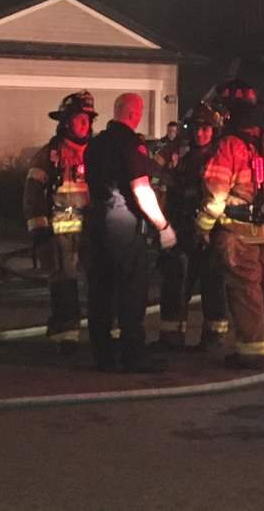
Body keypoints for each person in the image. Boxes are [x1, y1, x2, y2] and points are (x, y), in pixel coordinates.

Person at [196, 79, 264, 370]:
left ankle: (253, 353)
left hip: (240, 236)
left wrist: (203, 227)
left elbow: (216, 193)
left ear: (228, 115)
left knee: (246, 292)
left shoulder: (229, 146)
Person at [84, 92, 177, 373]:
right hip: (123, 223)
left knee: (100, 291)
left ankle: (103, 355)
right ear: (134, 113)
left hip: (96, 222)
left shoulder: (95, 144)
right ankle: (133, 355)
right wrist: (163, 225)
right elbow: (140, 189)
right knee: (131, 290)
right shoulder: (130, 144)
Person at [22, 91, 96, 354]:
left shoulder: (96, 152)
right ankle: (66, 336)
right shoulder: (50, 155)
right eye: (79, 119)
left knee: (100, 280)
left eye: (88, 119)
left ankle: (104, 332)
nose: (84, 124)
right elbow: (32, 194)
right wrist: (39, 229)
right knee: (64, 281)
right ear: (66, 121)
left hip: (92, 230)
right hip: (59, 233)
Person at [155, 102, 231, 351]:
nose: (201, 133)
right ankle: (171, 336)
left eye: (207, 129)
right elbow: (156, 178)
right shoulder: (177, 154)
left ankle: (214, 336)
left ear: (215, 130)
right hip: (181, 226)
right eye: (197, 128)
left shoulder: (221, 156)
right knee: (176, 282)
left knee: (213, 283)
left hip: (211, 230)